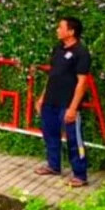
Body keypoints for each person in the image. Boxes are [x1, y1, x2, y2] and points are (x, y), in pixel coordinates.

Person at [34, 16, 91, 187]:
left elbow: (82, 83)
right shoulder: (58, 49)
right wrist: (42, 97)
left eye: (61, 27)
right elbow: (53, 75)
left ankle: (80, 175)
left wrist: (73, 108)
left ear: (71, 31)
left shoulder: (81, 53)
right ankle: (53, 166)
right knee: (50, 135)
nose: (57, 30)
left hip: (67, 104)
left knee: (74, 140)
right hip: (51, 101)